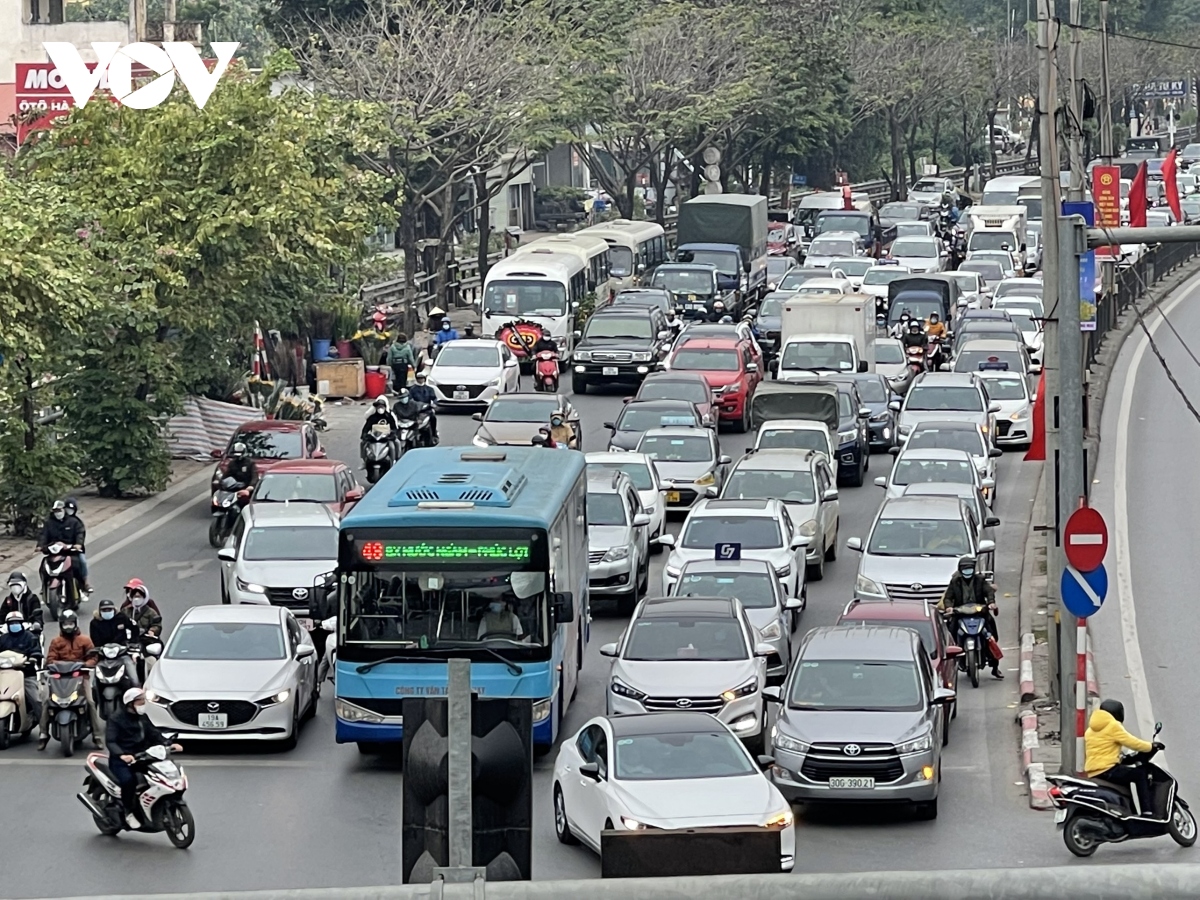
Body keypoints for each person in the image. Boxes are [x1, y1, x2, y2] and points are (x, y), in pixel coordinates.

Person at [106, 688, 182, 821]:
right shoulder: (115, 719)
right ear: (130, 704)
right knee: (129, 781)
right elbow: (111, 741)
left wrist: (168, 744)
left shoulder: (143, 717)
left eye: (143, 701)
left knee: (158, 775)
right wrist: (122, 755)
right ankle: (128, 811)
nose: (143, 704)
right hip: (122, 761)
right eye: (140, 701)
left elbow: (153, 733)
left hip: (142, 756)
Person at [38, 610, 104, 750]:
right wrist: (53, 665)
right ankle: (43, 734)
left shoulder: (85, 640)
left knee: (91, 702)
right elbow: (50, 659)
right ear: (61, 625)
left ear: (75, 624)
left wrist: (87, 664)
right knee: (47, 702)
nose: (68, 627)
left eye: (70, 624)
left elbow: (93, 657)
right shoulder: (56, 641)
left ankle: (96, 735)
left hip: (80, 676)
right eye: (65, 624)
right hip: (59, 678)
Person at [1084, 699, 1160, 816]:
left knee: (1126, 778)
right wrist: (1151, 746)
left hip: (1094, 771)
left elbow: (1104, 749)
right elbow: (1132, 742)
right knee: (1140, 774)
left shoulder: (1091, 729)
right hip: (1107, 769)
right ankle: (1147, 811)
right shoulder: (1113, 725)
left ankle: (1131, 812)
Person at [938, 555, 1003, 679]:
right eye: (965, 569)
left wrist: (991, 603)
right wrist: (949, 607)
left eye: (970, 568)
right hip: (960, 613)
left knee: (991, 634)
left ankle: (995, 667)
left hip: (980, 612)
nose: (968, 571)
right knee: (951, 632)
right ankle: (954, 658)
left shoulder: (980, 580)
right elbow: (948, 597)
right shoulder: (955, 581)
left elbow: (989, 592)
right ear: (960, 570)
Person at [38, 499, 91, 595]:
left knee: (81, 562)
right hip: (54, 551)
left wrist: (78, 544)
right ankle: (44, 586)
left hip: (72, 551)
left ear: (64, 510)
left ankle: (84, 583)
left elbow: (80, 533)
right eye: (55, 511)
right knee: (43, 567)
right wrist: (40, 546)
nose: (57, 513)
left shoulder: (74, 522)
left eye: (59, 510)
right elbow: (43, 535)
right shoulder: (49, 523)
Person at [0, 611, 42, 729]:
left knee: (36, 699)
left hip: (26, 674)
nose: (14, 625)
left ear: (21, 623)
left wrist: (33, 658)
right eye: (11, 623)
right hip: (4, 674)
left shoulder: (29, 637)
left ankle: (44, 729)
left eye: (16, 622)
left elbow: (36, 650)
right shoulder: (3, 639)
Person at [90, 599, 140, 688]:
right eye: (104, 610)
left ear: (114, 609)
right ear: (100, 611)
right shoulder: (95, 623)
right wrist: (98, 649)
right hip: (104, 656)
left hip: (122, 654)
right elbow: (95, 640)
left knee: (134, 680)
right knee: (94, 684)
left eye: (109, 609)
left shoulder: (122, 618)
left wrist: (133, 642)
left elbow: (134, 628)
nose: (107, 612)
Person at [407, 372, 438, 444]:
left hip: (427, 410)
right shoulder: (412, 389)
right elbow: (410, 399)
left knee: (433, 418)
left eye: (422, 378)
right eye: (419, 378)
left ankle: (434, 434)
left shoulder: (429, 389)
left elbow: (434, 398)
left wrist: (434, 404)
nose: (420, 380)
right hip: (415, 410)